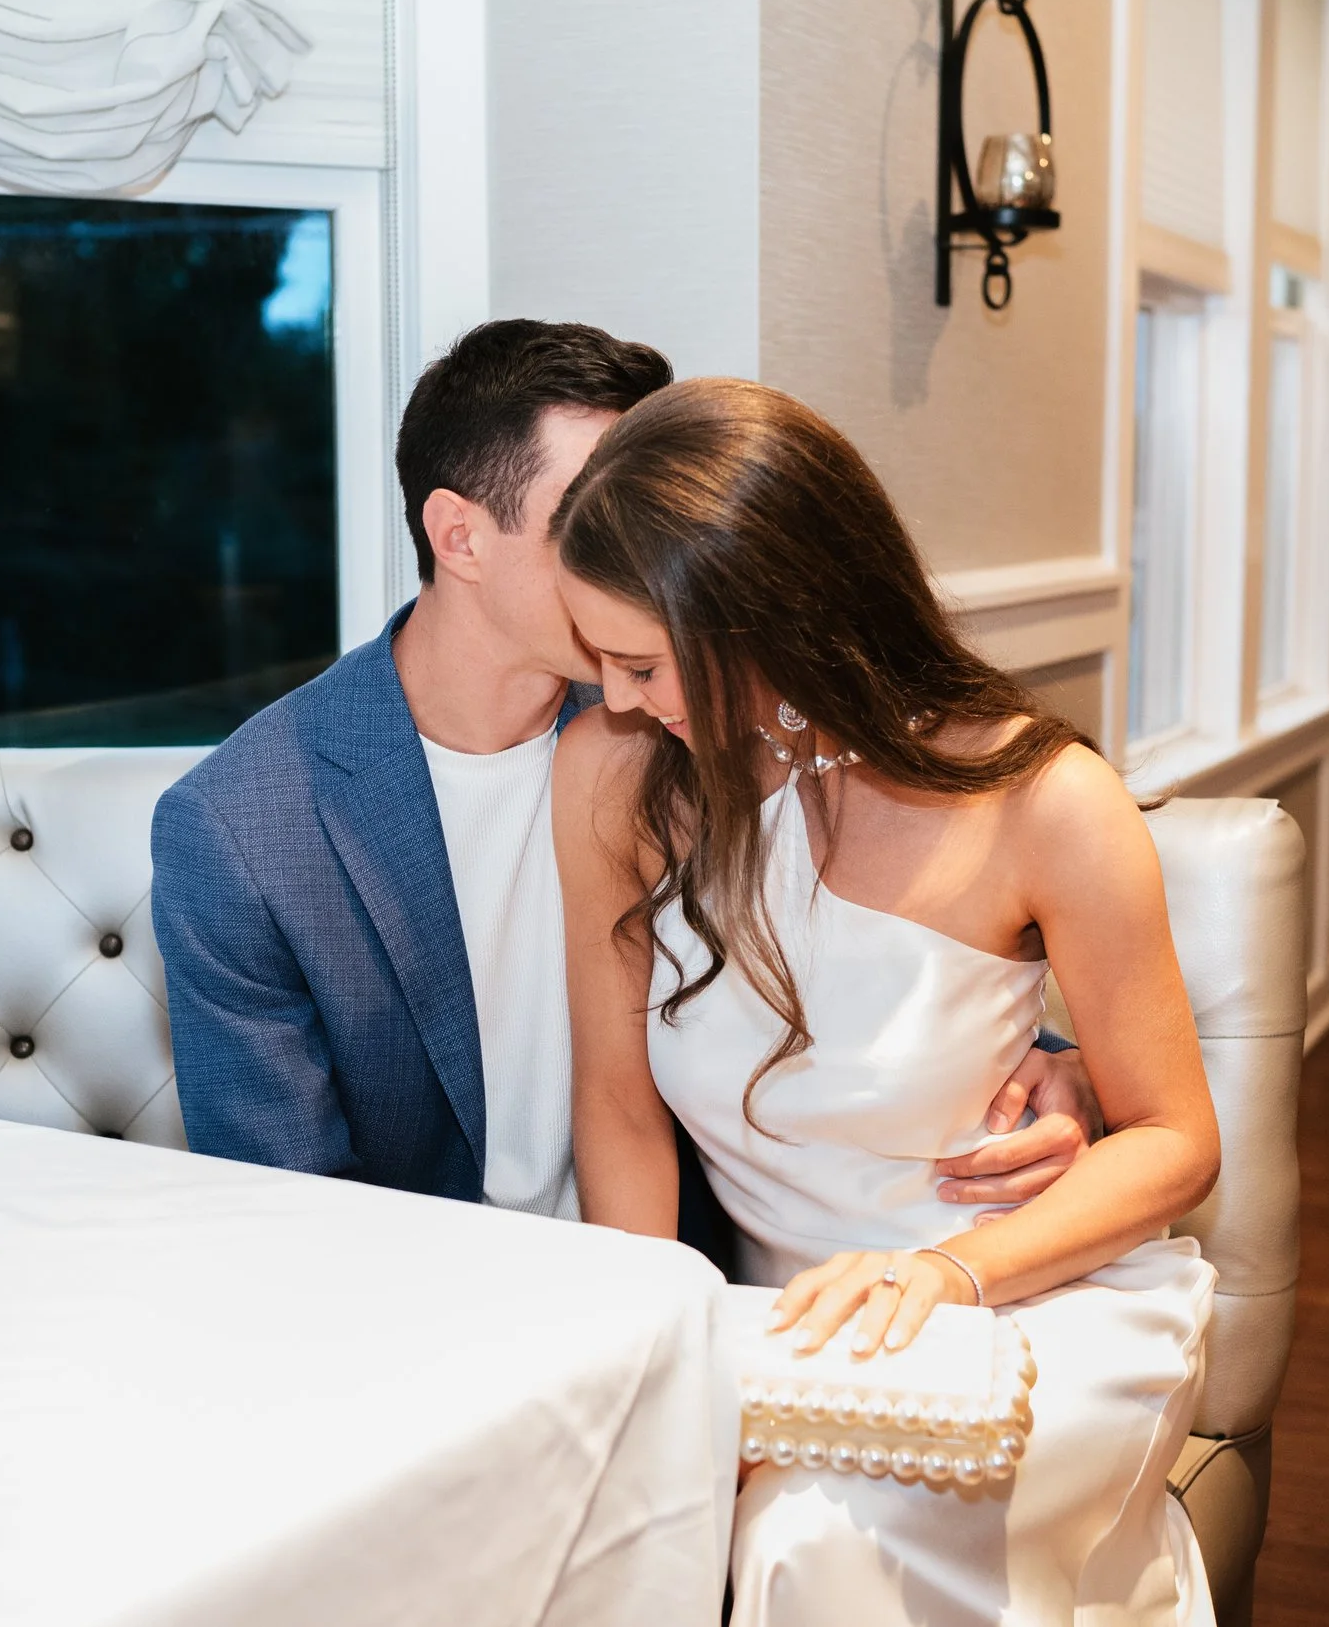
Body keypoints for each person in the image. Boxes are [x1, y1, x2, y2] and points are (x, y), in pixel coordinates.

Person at [151, 319, 1099, 1246]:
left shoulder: (696, 722)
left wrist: (1065, 1068)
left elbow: (881, 950)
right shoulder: (242, 832)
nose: (637, 554)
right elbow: (288, 1228)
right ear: (461, 537)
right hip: (427, 1315)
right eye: (589, 519)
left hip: (699, 1270)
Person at [551, 377, 1222, 1625]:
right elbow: (618, 1105)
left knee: (809, 1538)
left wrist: (951, 1276)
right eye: (598, 658)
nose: (617, 697)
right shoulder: (614, 781)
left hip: (1026, 1307)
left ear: (764, 616)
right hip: (786, 1330)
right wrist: (658, 1361)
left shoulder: (1044, 800)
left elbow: (1179, 1142)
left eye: (642, 661)